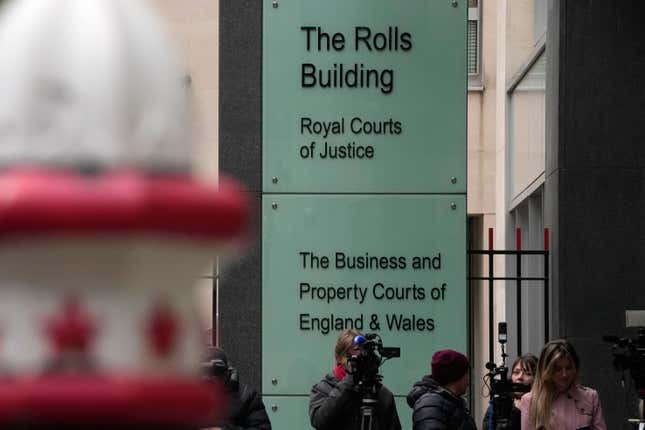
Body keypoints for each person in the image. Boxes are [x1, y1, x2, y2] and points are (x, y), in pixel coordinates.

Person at [309, 329, 401, 430]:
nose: (360, 365)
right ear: (338, 357)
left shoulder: (382, 394)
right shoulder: (324, 389)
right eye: (355, 359)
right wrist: (349, 381)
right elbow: (319, 421)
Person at [520, 339, 606, 430]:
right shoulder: (530, 401)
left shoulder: (590, 397)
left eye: (568, 368)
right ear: (546, 370)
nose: (564, 374)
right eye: (557, 369)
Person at [202, 347, 272, 430]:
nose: (208, 378)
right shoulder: (190, 396)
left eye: (215, 372)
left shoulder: (247, 396)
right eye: (204, 372)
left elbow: (263, 428)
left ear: (226, 373)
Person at [407, 349, 477, 430]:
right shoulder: (431, 404)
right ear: (456, 376)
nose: (468, 381)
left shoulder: (450, 402)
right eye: (466, 374)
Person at [482, 353, 537, 430]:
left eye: (527, 374)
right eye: (516, 372)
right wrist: (516, 412)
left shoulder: (541, 404)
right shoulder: (500, 402)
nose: (520, 377)